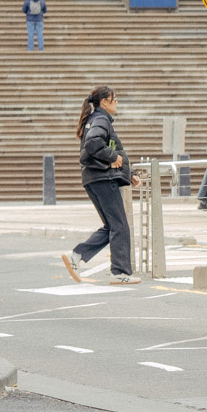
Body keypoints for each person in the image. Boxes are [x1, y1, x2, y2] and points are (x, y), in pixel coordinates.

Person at [62, 85, 140, 284]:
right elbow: (93, 143)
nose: (117, 103)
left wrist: (129, 173)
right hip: (103, 179)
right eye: (115, 99)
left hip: (94, 179)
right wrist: (112, 157)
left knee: (112, 226)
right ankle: (120, 273)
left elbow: (105, 146)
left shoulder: (94, 119)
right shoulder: (101, 119)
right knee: (120, 225)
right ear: (104, 102)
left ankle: (78, 255)